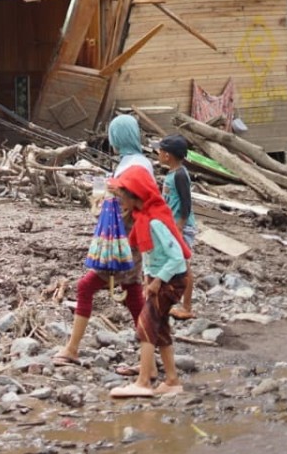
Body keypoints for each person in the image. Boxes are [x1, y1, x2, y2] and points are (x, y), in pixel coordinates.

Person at [52, 114, 153, 367]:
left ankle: (72, 348)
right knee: (133, 293)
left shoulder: (132, 167)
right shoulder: (140, 162)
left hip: (121, 244)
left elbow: (132, 204)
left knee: (85, 287)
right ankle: (152, 355)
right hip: (134, 240)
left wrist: (103, 204)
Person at [108, 166, 192, 399]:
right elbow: (148, 255)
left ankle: (144, 381)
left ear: (134, 196)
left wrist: (157, 282)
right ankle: (172, 380)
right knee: (161, 327)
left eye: (123, 194)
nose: (120, 199)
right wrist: (147, 278)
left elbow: (177, 258)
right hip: (159, 278)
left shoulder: (154, 222)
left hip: (170, 280)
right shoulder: (143, 218)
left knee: (145, 325)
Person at [157, 134, 197, 320]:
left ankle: (187, 307)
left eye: (160, 151)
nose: (158, 154)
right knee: (173, 263)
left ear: (167, 155)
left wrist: (180, 226)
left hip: (182, 227)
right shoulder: (172, 173)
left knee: (184, 265)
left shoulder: (180, 175)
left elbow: (186, 203)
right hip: (172, 226)